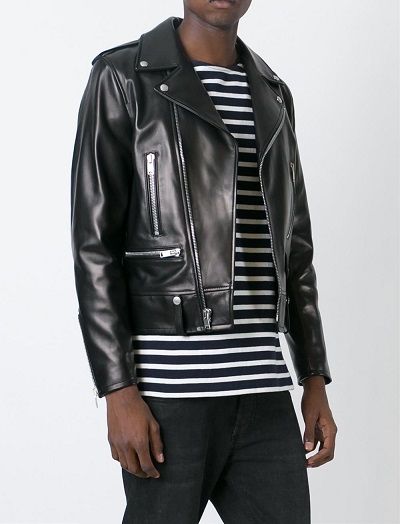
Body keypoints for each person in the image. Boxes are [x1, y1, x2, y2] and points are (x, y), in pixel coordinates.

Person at [70, 1, 337, 522]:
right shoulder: (123, 76)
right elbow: (93, 245)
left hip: (263, 392)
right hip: (168, 396)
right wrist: (117, 389)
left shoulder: (272, 92)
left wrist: (314, 378)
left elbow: (297, 249)